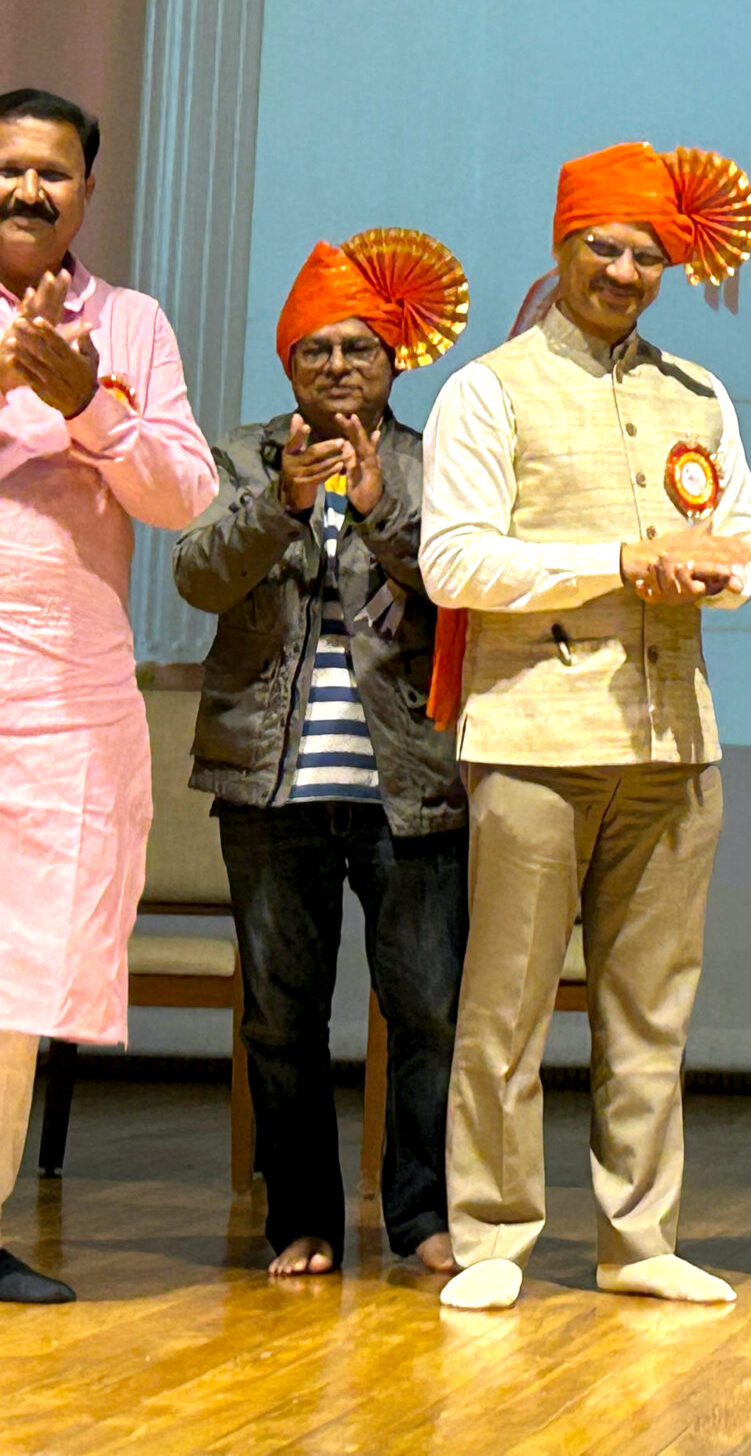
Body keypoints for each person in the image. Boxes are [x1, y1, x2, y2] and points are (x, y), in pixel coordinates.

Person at [421, 140, 751, 1312]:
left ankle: (640, 1238)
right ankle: (489, 1237)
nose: (624, 272)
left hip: (676, 745)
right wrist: (620, 561)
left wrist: (720, 572)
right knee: (506, 1009)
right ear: (561, 245)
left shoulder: (698, 393)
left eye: (646, 255)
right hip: (533, 739)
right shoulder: (489, 388)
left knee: (652, 1012)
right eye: (603, 248)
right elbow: (453, 562)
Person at [174, 229, 472, 1279]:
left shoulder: (438, 459)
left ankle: (422, 1218)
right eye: (316, 349)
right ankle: (300, 1220)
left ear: (393, 361)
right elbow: (198, 574)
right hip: (269, 784)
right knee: (280, 1016)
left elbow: (464, 582)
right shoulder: (239, 456)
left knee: (428, 1011)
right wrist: (283, 503)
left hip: (414, 785)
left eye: (359, 348)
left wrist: (380, 509)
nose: (338, 366)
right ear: (288, 362)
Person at [0, 88, 218, 1305]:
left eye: (53, 173)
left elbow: (184, 496)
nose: (28, 189)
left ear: (88, 191)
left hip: (62, 693)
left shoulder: (129, 323)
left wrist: (86, 401)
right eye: (9, 167)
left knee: (18, 976)